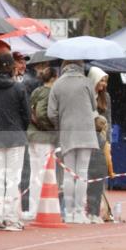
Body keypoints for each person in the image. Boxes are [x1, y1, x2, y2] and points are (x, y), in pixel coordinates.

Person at [48, 60, 99, 224]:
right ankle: (79, 212)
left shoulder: (57, 84)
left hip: (67, 131)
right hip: (86, 131)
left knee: (69, 174)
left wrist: (60, 124)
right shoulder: (86, 82)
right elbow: (94, 105)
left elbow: (51, 113)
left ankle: (68, 212)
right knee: (82, 172)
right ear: (80, 66)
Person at [0, 51, 30, 230]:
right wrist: (21, 128)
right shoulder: (19, 88)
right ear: (12, 67)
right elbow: (26, 114)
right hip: (15, 135)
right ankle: (11, 217)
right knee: (13, 178)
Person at [25, 59, 59, 221]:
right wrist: (49, 127)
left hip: (32, 135)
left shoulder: (36, 91)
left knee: (34, 173)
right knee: (43, 174)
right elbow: (40, 113)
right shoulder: (49, 93)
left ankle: (33, 207)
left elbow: (31, 109)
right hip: (44, 137)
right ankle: (38, 208)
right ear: (54, 78)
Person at [86, 67, 113, 223]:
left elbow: (108, 118)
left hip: (101, 140)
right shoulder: (85, 95)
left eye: (105, 81)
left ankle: (96, 211)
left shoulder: (106, 97)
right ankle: (86, 210)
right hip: (87, 138)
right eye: (101, 80)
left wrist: (108, 141)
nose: (103, 84)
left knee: (99, 176)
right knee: (86, 175)